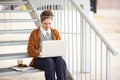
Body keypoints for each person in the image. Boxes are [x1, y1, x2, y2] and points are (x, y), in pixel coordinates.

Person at [27, 10, 66, 80]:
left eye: (49, 23)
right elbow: (30, 50)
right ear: (41, 22)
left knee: (60, 61)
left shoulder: (55, 32)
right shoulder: (34, 33)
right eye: (45, 23)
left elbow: (59, 47)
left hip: (54, 58)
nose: (48, 26)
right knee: (49, 61)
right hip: (40, 60)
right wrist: (41, 53)